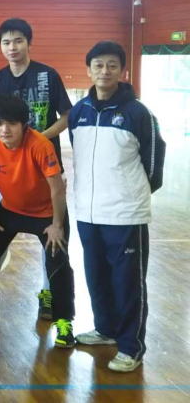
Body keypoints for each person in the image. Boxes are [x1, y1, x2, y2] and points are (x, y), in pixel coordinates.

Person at [68, 41, 165, 372]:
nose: (104, 71)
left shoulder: (138, 113)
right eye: (98, 65)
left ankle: (131, 346)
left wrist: (131, 193)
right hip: (87, 212)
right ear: (89, 70)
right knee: (96, 276)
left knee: (127, 284)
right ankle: (106, 329)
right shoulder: (79, 111)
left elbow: (154, 164)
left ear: (122, 71)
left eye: (112, 65)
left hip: (125, 214)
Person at [0, 95, 76, 349]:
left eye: (11, 123)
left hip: (47, 214)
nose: (4, 129)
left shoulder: (40, 144)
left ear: (24, 124)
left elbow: (57, 188)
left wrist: (57, 225)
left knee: (57, 262)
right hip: (11, 209)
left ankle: (64, 320)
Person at [0, 18, 73, 320]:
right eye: (6, 42)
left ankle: (49, 293)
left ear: (29, 43)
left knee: (52, 241)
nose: (12, 47)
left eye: (18, 40)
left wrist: (37, 139)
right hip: (7, 172)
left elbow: (67, 116)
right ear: (0, 46)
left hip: (45, 170)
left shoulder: (48, 75)